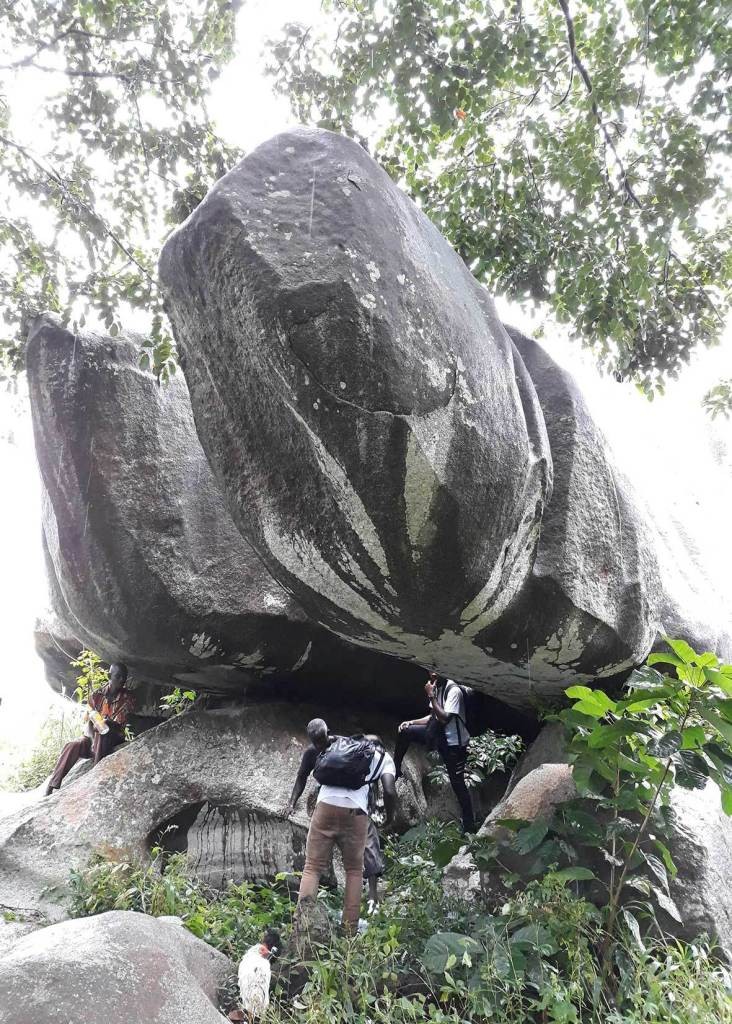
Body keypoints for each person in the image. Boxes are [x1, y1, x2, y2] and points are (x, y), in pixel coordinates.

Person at [290, 718, 396, 933]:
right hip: (355, 812)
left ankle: (302, 927)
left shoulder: (340, 745)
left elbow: (305, 773)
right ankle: (349, 932)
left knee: (312, 867)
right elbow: (390, 791)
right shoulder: (384, 757)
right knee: (354, 871)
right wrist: (390, 817)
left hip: (326, 806)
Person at [394, 670, 476, 833]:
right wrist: (411, 722)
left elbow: (445, 718)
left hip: (454, 744)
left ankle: (470, 826)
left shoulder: (454, 691)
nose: (433, 676)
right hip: (439, 736)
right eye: (430, 672)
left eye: (436, 673)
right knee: (406, 732)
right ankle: (396, 769)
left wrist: (431, 695)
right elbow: (433, 716)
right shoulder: (437, 687)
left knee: (457, 783)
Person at [44, 662, 134, 796]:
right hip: (94, 738)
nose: (122, 680)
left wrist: (106, 724)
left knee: (103, 731)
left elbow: (119, 724)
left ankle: (96, 778)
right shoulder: (95, 696)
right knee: (74, 745)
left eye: (124, 677)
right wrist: (92, 740)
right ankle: (51, 786)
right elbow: (89, 722)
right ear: (109, 676)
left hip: (114, 737)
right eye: (118, 676)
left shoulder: (128, 698)